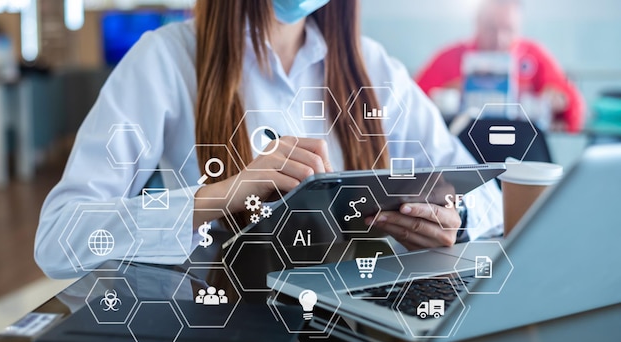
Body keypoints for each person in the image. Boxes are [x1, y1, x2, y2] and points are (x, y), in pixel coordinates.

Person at [34, 0, 502, 279]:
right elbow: (59, 238)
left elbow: (488, 200)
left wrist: (455, 218)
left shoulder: (375, 69)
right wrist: (218, 196)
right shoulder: (164, 61)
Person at [415, 0, 584, 133]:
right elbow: (412, 101)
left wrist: (560, 101)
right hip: (463, 156)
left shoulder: (535, 56)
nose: (499, 39)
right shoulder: (451, 57)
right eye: (491, 28)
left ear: (519, 26)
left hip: (521, 156)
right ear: (477, 21)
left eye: (508, 29)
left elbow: (574, 109)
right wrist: (447, 92)